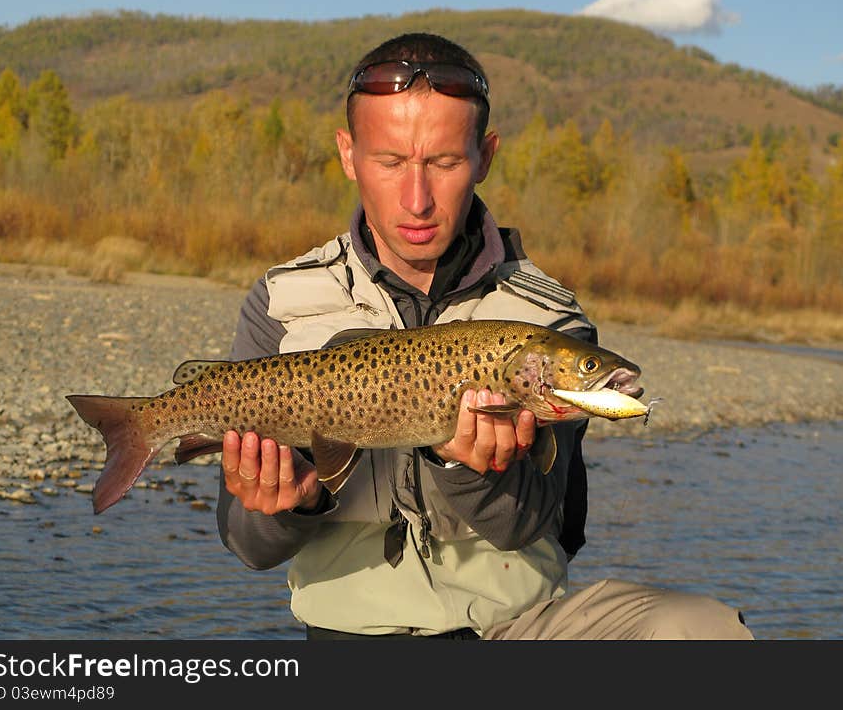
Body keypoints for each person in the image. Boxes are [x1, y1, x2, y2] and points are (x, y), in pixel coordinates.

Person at [216, 33, 753, 640]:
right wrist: (296, 503)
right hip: (351, 639)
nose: (416, 200)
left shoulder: (551, 321)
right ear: (348, 154)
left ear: (485, 155)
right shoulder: (282, 303)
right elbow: (249, 547)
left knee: (706, 631)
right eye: (390, 162)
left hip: (521, 629)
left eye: (444, 162)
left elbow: (536, 526)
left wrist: (466, 468)